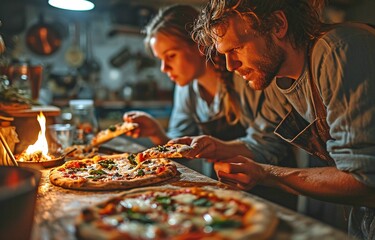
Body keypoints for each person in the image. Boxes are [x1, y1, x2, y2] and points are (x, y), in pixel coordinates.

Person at [184, 0, 375, 238]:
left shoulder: (340, 50)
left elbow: (364, 180)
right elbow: (263, 144)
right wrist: (216, 147)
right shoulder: (277, 77)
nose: (230, 66)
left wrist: (266, 174)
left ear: (277, 25)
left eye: (236, 49)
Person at [123, 4, 297, 209]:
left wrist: (217, 148)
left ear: (200, 45)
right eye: (161, 59)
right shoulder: (186, 88)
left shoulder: (246, 74)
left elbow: (268, 145)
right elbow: (181, 151)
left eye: (171, 56)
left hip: (270, 192)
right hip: (222, 191)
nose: (164, 68)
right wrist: (157, 133)